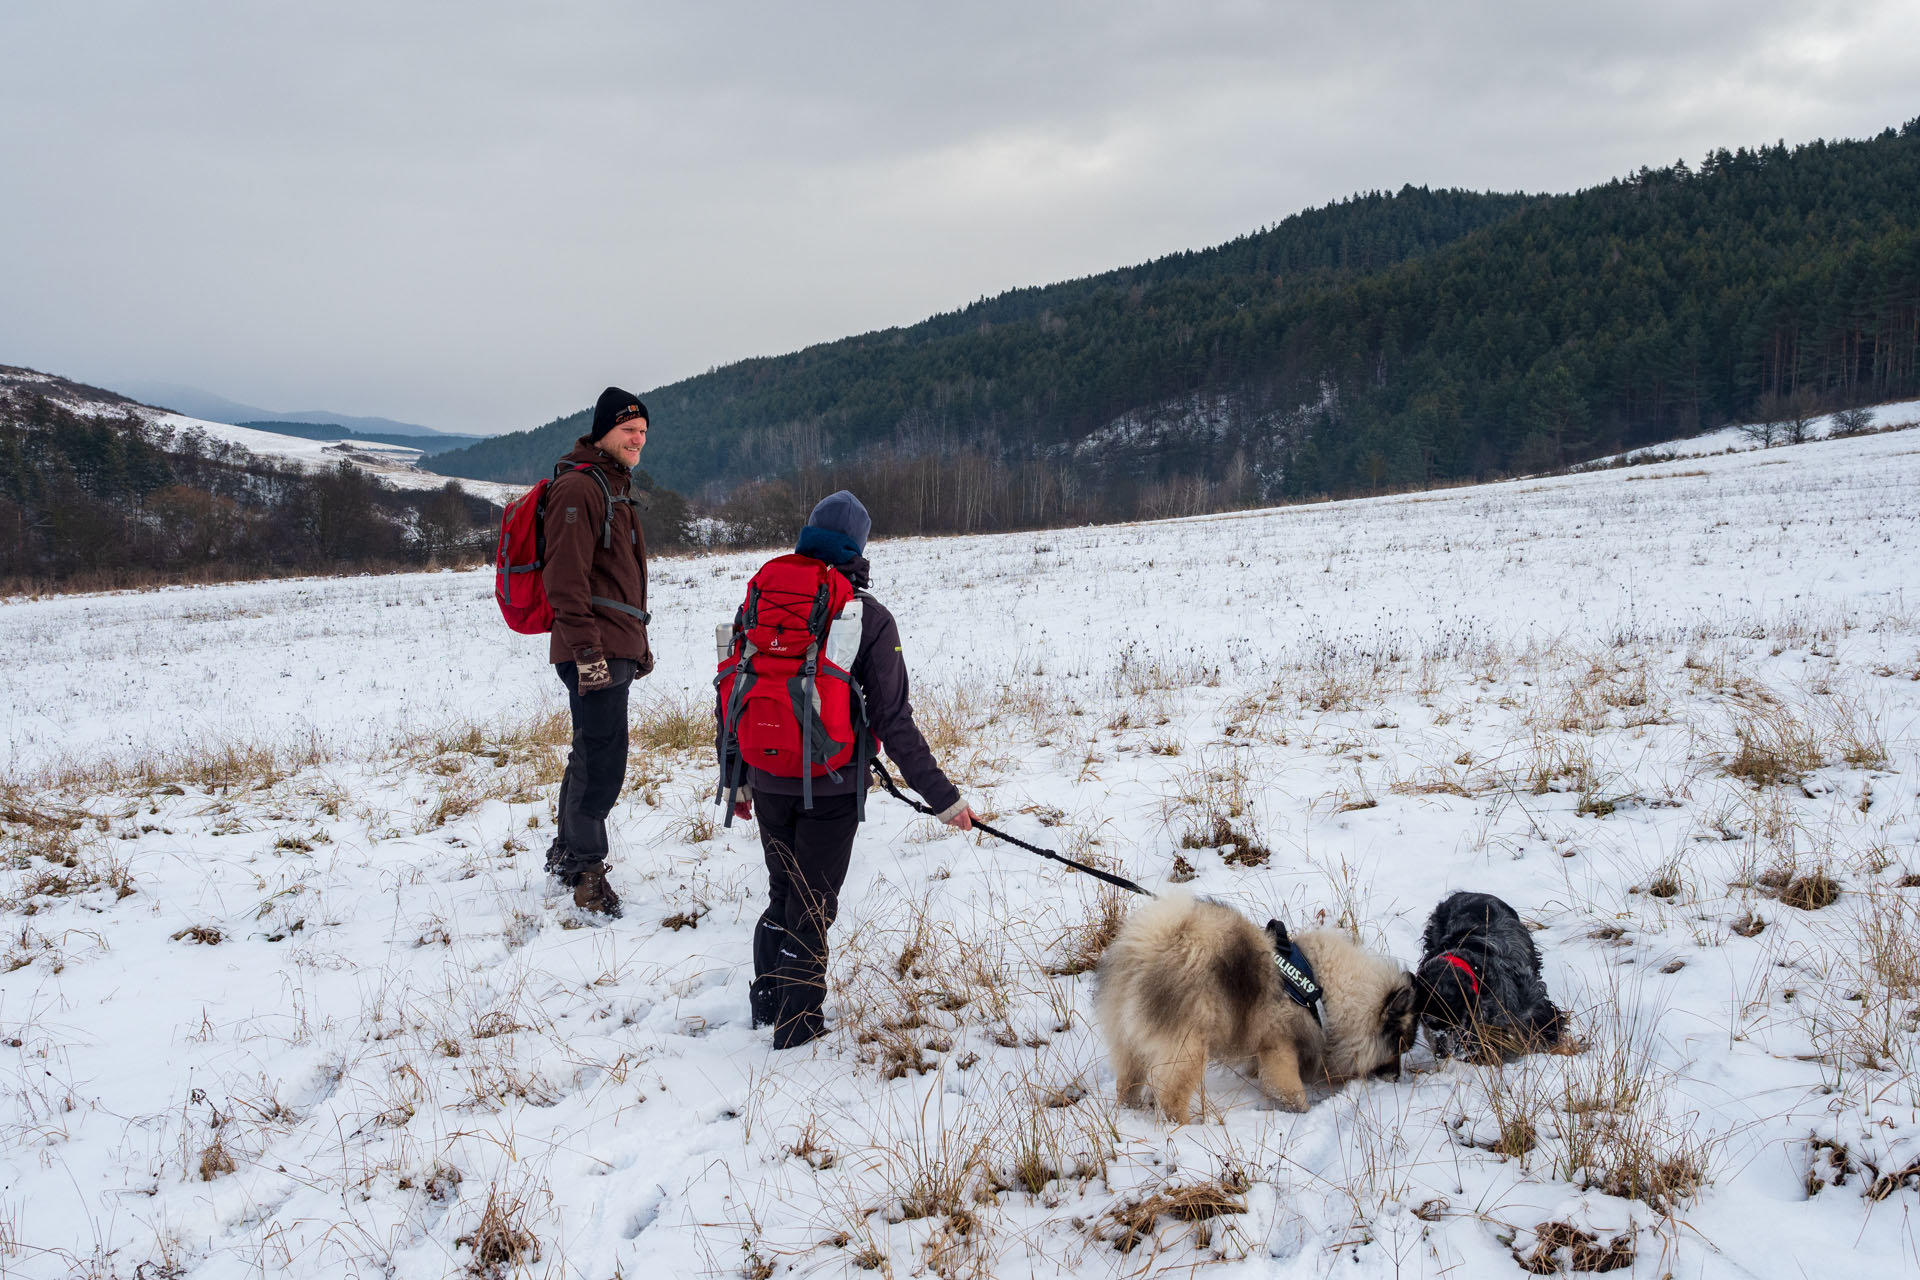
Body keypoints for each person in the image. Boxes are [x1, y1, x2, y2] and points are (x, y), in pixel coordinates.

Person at [724, 490, 974, 1049]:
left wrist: (737, 776)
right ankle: (796, 1025)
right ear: (858, 547)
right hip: (832, 786)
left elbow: (736, 691)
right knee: (813, 902)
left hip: (765, 774)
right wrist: (945, 799)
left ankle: (767, 1004)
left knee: (783, 888)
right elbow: (895, 721)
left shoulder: (760, 602)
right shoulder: (868, 616)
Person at [542, 387, 653, 917]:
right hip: (594, 650)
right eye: (628, 430)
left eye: (643, 432)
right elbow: (565, 580)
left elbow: (621, 580)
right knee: (603, 761)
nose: (637, 439)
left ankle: (568, 852)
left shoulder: (614, 487)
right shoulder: (580, 490)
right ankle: (586, 872)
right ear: (603, 431)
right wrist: (589, 653)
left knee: (592, 751)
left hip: (613, 646)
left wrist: (638, 646)